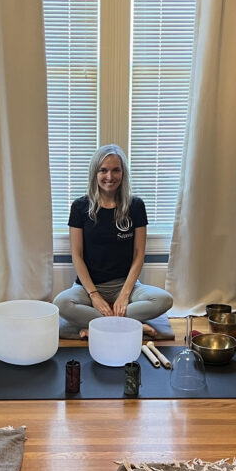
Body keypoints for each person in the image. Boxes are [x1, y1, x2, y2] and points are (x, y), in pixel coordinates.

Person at [53, 144, 174, 338]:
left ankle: (97, 326)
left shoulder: (136, 206)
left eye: (116, 170)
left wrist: (125, 294)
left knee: (164, 300)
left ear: (123, 172)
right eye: (103, 170)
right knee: (62, 303)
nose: (110, 176)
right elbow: (77, 255)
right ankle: (130, 325)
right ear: (95, 173)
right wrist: (94, 295)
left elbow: (139, 255)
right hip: (87, 287)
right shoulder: (79, 207)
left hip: (125, 285)